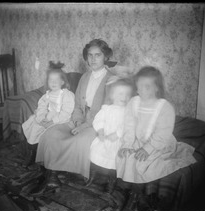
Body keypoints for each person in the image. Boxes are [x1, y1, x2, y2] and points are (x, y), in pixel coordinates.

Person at [30, 39, 114, 195]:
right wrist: (77, 120)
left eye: (98, 55)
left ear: (106, 57)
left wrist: (84, 125)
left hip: (98, 123)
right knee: (51, 134)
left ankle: (64, 175)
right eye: (90, 55)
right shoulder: (85, 77)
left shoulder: (111, 79)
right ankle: (52, 177)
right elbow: (76, 104)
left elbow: (106, 110)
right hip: (79, 117)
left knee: (80, 139)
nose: (93, 59)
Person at [116, 66, 197, 209]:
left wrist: (148, 148)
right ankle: (134, 192)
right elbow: (128, 126)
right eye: (139, 86)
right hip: (137, 140)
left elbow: (163, 133)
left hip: (158, 143)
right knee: (127, 155)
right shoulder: (134, 102)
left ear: (157, 88)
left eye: (146, 87)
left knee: (145, 161)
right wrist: (127, 144)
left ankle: (140, 194)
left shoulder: (164, 107)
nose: (141, 90)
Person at [21, 61, 75, 168]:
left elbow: (66, 112)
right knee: (35, 126)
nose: (53, 83)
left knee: (50, 132)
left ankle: (47, 157)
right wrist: (42, 118)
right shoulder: (47, 95)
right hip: (47, 117)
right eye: (51, 80)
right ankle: (31, 153)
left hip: (61, 120)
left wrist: (53, 121)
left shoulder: (66, 95)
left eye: (56, 80)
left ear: (62, 81)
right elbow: (41, 107)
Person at [85, 78, 133, 195]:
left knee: (114, 163)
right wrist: (100, 130)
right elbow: (98, 120)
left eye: (127, 94)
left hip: (117, 141)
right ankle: (93, 176)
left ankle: (111, 183)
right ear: (112, 95)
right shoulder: (106, 109)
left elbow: (128, 126)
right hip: (104, 138)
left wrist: (117, 134)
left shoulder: (128, 112)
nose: (124, 97)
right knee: (95, 153)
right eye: (120, 94)